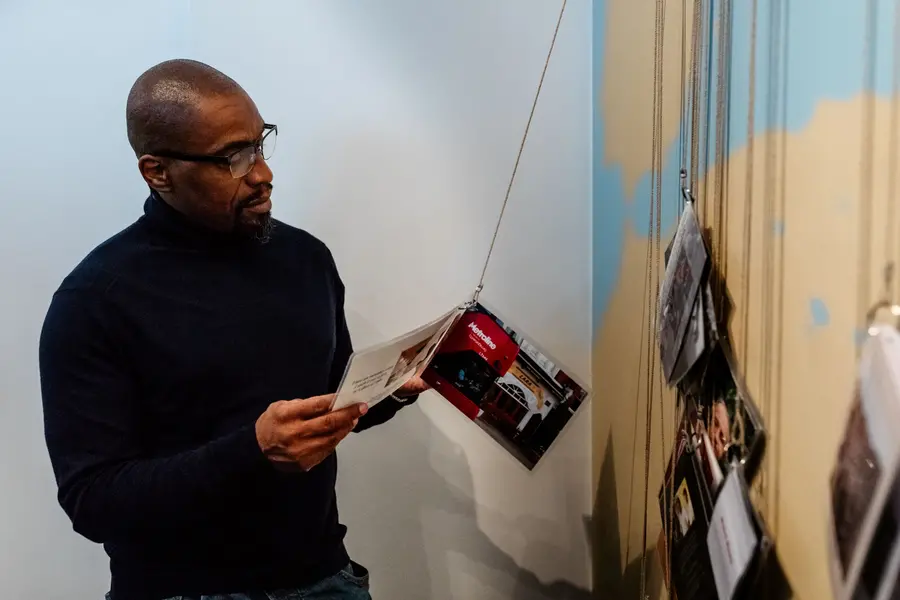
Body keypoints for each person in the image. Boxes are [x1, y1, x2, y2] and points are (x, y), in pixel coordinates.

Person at [38, 59, 429, 600]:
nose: (262, 174)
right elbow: (92, 501)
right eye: (233, 158)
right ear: (157, 172)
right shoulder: (94, 301)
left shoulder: (306, 259)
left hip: (323, 580)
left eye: (260, 144)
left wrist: (393, 386)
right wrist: (253, 451)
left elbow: (330, 398)